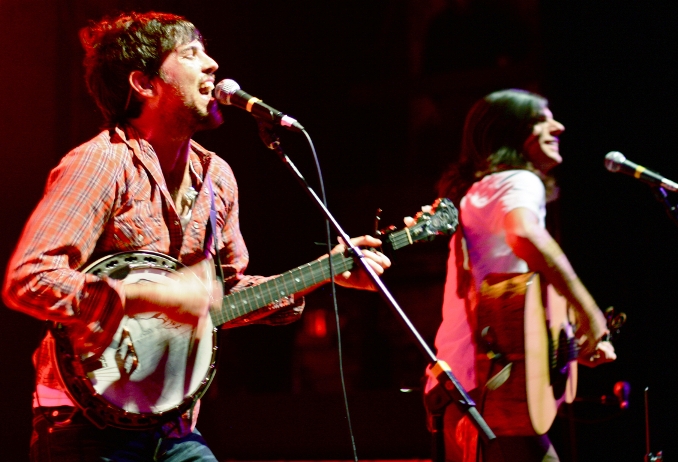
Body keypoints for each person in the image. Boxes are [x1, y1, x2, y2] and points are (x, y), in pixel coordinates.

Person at [2, 11, 391, 462]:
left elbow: (222, 296)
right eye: (191, 54)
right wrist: (138, 299)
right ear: (144, 84)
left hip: (173, 426)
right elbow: (29, 278)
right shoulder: (101, 163)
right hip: (85, 427)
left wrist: (326, 272)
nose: (211, 65)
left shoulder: (217, 178)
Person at [420, 89, 616, 461]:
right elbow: (525, 234)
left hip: (465, 387)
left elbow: (508, 308)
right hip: (487, 390)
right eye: (542, 118)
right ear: (513, 132)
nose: (558, 126)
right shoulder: (517, 181)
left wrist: (568, 348)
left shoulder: (486, 189)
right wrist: (590, 314)